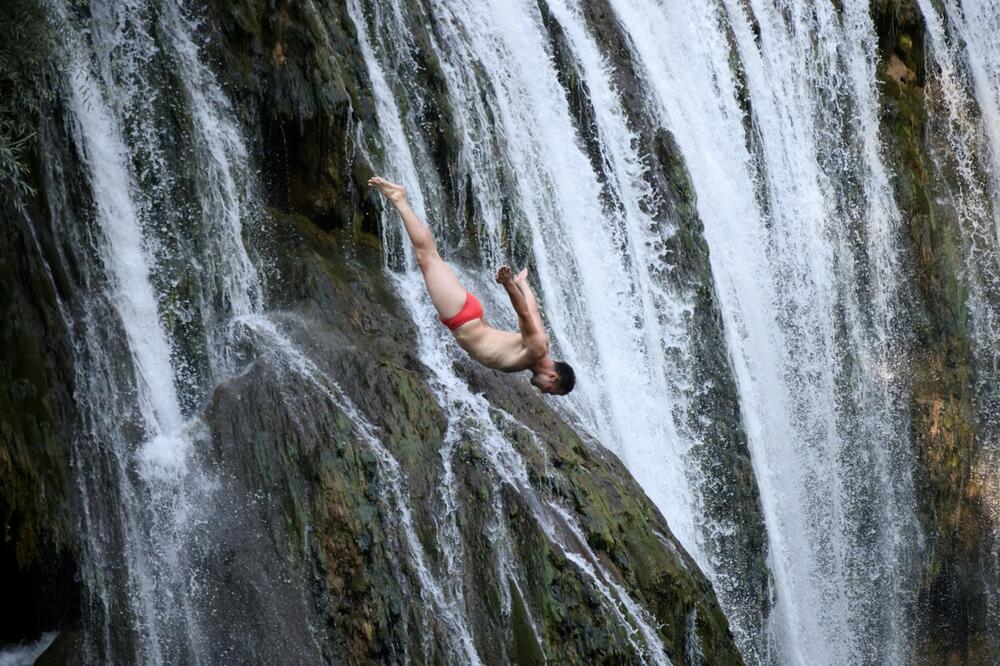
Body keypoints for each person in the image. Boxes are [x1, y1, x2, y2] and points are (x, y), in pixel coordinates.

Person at [368, 176, 576, 395]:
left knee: (429, 258)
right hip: (462, 317)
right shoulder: (537, 349)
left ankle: (399, 199)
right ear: (553, 376)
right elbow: (524, 314)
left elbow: (533, 311)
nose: (543, 391)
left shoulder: (539, 347)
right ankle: (399, 198)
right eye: (550, 389)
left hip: (468, 316)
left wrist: (523, 283)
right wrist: (508, 285)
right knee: (427, 257)